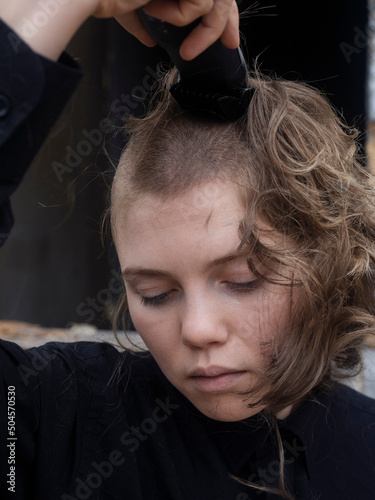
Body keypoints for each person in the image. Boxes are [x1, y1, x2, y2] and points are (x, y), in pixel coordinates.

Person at [1, 2, 375, 500]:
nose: (198, 330)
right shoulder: (55, 417)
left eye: (243, 280)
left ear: (324, 260)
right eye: (155, 293)